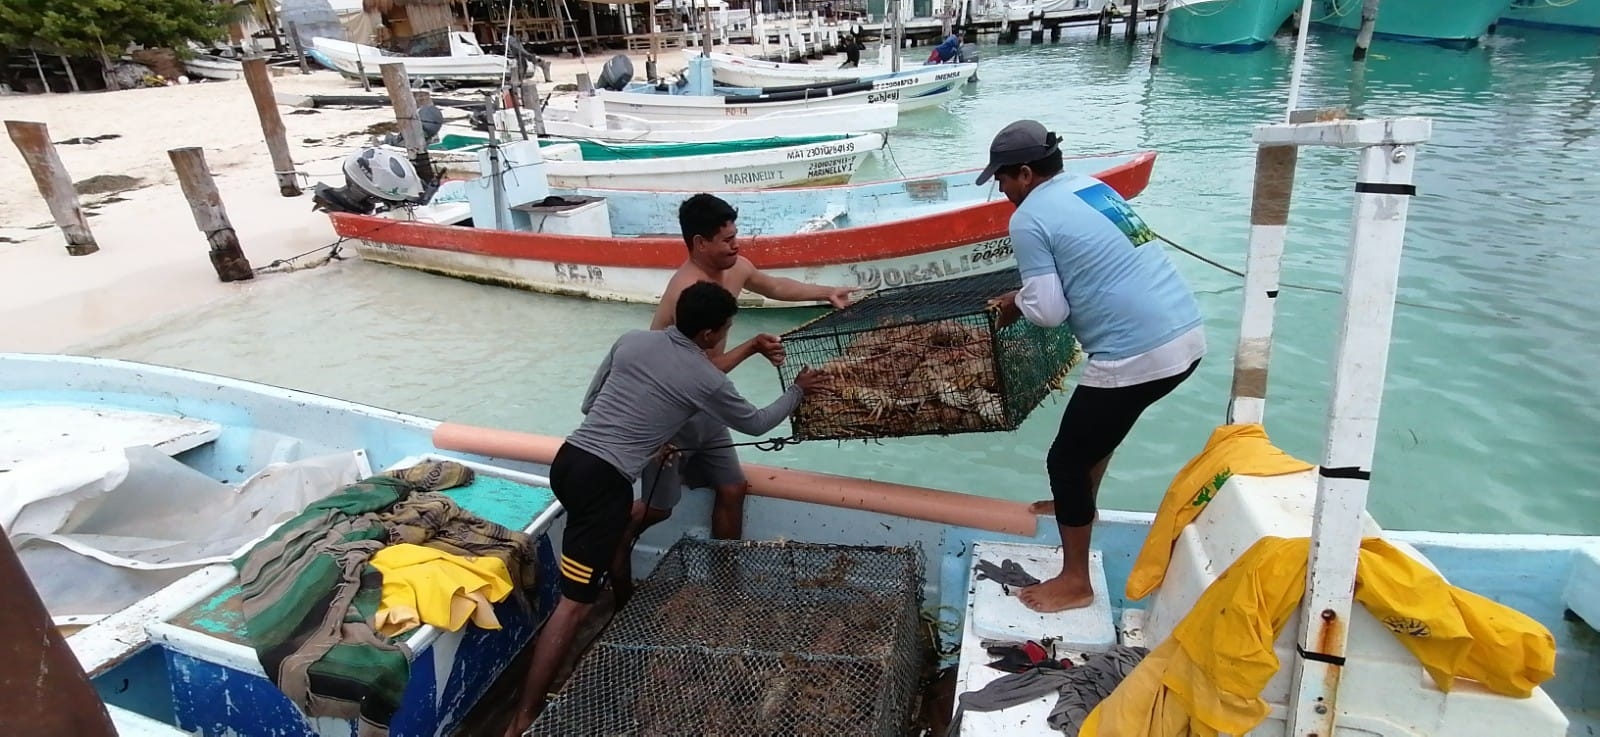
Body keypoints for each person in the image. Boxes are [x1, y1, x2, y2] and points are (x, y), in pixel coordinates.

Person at [500, 281, 827, 736]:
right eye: (728, 328)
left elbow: (592, 405)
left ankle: (618, 592)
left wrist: (648, 439)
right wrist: (797, 389)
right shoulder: (706, 376)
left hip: (570, 461)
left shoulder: (632, 340)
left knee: (607, 541)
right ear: (711, 335)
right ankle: (523, 718)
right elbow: (755, 422)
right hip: (604, 484)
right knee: (573, 606)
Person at [981, 119, 1206, 614]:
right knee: (1093, 438)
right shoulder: (1090, 186)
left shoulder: (1028, 218)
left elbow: (1050, 312)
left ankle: (1075, 580)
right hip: (1185, 335)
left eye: (1001, 178)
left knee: (1065, 460)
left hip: (1137, 354)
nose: (1000, 188)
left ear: (1024, 173)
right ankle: (1079, 505)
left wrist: (1018, 300)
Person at [627, 193, 855, 546]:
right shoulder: (688, 293)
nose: (736, 246)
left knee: (733, 488)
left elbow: (774, 285)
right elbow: (700, 372)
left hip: (707, 407)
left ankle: (726, 576)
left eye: (736, 236)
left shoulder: (735, 267)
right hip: (669, 416)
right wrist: (753, 347)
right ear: (700, 243)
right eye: (727, 240)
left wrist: (827, 293)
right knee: (658, 510)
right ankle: (610, 542)